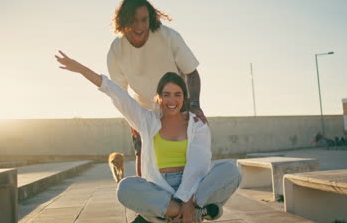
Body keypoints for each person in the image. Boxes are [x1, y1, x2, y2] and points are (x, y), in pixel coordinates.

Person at [55, 51, 241, 223]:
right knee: (125, 188)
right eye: (166, 95)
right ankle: (190, 214)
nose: (172, 100)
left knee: (231, 171)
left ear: (184, 97)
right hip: (160, 188)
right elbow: (114, 91)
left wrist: (186, 199)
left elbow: (198, 163)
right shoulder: (147, 120)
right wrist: (81, 69)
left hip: (192, 186)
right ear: (159, 97)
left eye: (177, 95)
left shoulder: (197, 124)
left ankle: (170, 214)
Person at [108, 0, 206, 177]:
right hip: (143, 108)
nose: (139, 27)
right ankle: (146, 201)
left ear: (150, 19)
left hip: (175, 104)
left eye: (144, 20)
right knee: (143, 154)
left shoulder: (168, 36)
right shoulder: (116, 50)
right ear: (123, 21)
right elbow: (119, 93)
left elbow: (191, 73)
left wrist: (195, 106)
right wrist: (132, 120)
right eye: (133, 21)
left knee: (184, 152)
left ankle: (190, 201)